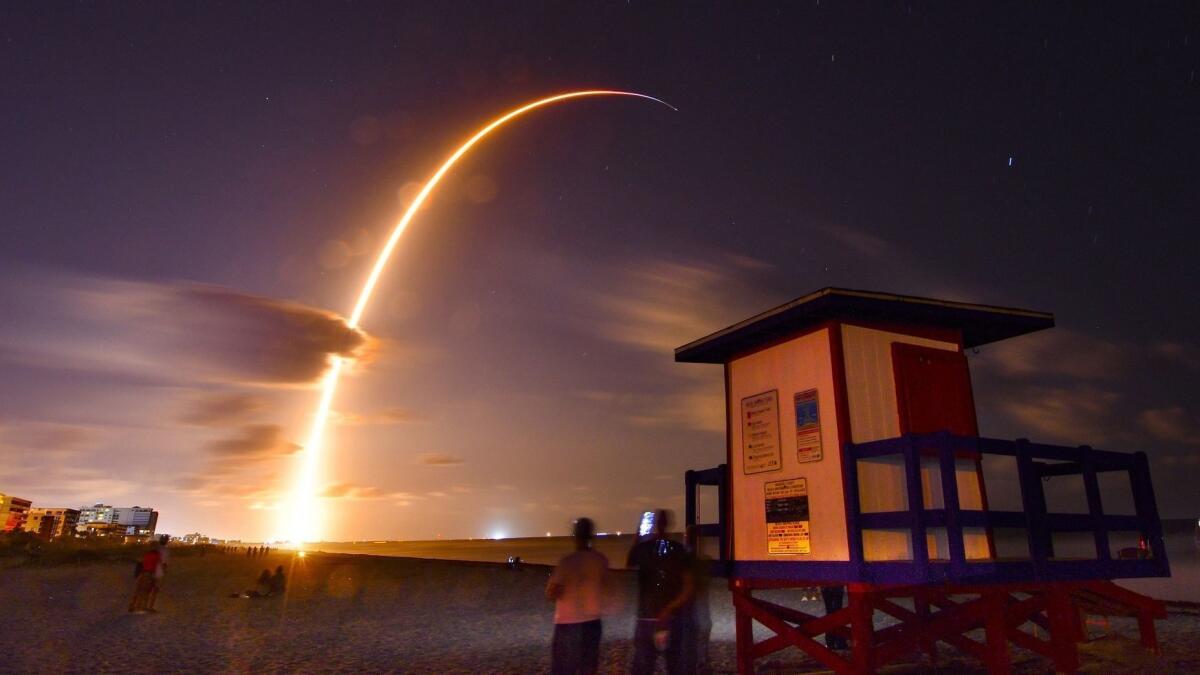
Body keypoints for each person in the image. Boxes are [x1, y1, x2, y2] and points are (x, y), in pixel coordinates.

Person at [626, 510, 695, 675]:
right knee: (675, 664)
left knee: (643, 665)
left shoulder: (643, 549)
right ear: (668, 523)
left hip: (646, 616)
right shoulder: (678, 550)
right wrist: (670, 608)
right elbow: (689, 586)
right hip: (673, 618)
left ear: (655, 524)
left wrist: (639, 533)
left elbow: (629, 563)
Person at [546, 517, 610, 675]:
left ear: (575, 535)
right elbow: (605, 587)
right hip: (593, 623)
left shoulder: (567, 562)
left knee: (563, 669)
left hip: (568, 624)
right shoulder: (600, 560)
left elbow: (552, 593)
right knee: (588, 667)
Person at [129, 546, 161, 613]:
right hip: (150, 573)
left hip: (142, 573)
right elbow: (158, 564)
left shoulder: (146, 555)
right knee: (146, 591)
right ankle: (143, 606)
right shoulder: (156, 555)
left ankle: (133, 605)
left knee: (138, 590)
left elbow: (141, 563)